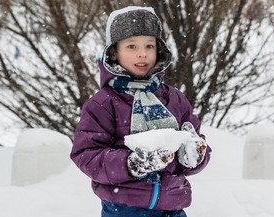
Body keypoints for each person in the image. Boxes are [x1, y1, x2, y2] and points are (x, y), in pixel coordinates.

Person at [70, 6, 211, 217]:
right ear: (114, 53)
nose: (142, 53)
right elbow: (86, 154)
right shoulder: (103, 103)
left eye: (149, 45)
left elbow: (197, 147)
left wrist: (195, 155)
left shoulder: (174, 99)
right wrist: (130, 164)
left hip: (172, 205)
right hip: (124, 208)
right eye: (132, 46)